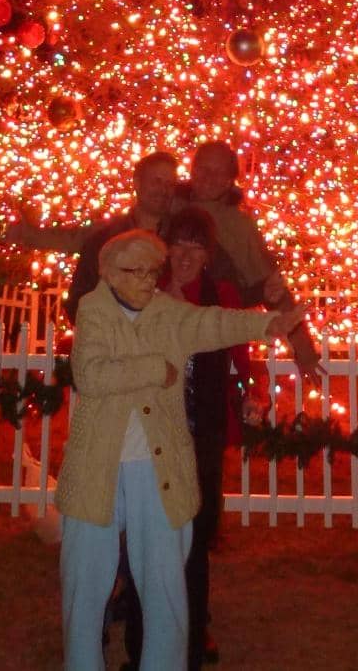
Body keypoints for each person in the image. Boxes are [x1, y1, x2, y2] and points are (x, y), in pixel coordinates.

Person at [56, 228, 302, 671]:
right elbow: (91, 374)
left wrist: (267, 324)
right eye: (136, 270)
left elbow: (213, 322)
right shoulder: (93, 311)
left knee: (165, 580)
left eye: (154, 270)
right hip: (99, 467)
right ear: (108, 272)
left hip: (158, 465)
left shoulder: (169, 313)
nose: (148, 280)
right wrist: (156, 368)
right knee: (85, 583)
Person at [122, 207, 250, 671]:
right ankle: (140, 652)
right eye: (179, 244)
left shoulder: (222, 295)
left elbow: (239, 363)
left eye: (198, 246)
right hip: (148, 443)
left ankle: (191, 645)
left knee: (193, 549)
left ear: (208, 254)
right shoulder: (138, 296)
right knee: (144, 547)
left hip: (200, 441)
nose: (187, 255)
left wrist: (248, 399)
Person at [176, 140, 323, 379]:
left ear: (228, 180)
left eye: (218, 172)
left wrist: (303, 349)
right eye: (203, 169)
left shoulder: (239, 227)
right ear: (192, 169)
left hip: (218, 341)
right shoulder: (169, 210)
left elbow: (271, 288)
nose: (209, 177)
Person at [4, 151, 179, 321]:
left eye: (170, 184)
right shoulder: (106, 237)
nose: (163, 190)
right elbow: (80, 295)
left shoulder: (180, 239)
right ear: (137, 184)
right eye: (156, 181)